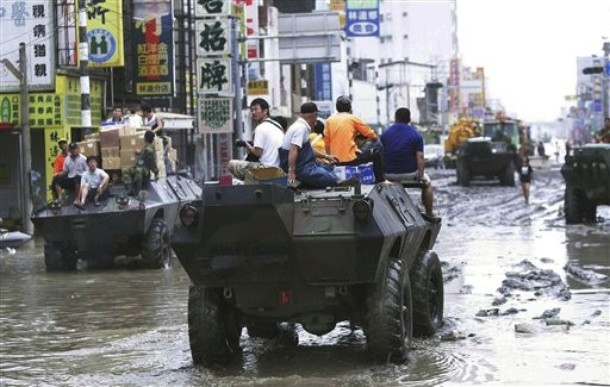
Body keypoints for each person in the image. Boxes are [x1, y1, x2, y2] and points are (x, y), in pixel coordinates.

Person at [380, 107, 437, 219]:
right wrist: (420, 176)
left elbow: (380, 156)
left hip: (388, 175)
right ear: (409, 119)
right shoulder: (416, 135)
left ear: (395, 118)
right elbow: (420, 157)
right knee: (427, 184)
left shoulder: (385, 135)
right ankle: (429, 213)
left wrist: (381, 176)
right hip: (410, 173)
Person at [279, 102, 344, 188]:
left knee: (328, 167)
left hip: (306, 164)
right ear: (313, 115)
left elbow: (308, 150)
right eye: (316, 116)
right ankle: (336, 181)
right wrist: (291, 172)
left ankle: (338, 181)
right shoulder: (300, 128)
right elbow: (293, 149)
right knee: (327, 178)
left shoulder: (301, 126)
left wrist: (326, 156)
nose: (316, 120)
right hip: (301, 168)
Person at [324, 96, 384, 182]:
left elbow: (327, 143)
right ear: (350, 108)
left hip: (335, 161)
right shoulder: (353, 118)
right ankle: (381, 180)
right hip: (351, 160)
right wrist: (374, 139)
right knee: (377, 151)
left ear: (337, 108)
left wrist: (330, 158)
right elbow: (371, 135)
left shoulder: (329, 120)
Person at [228, 98, 284, 180]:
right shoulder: (277, 125)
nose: (253, 112)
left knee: (231, 164)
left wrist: (250, 148)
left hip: (267, 169)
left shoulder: (260, 128)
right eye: (252, 110)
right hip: (280, 169)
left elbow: (258, 153)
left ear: (265, 111)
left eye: (256, 109)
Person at [122, 130, 158, 195]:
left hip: (144, 169)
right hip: (138, 166)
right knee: (125, 171)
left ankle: (137, 191)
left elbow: (152, 162)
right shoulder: (146, 147)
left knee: (138, 171)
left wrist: (156, 172)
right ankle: (130, 189)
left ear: (145, 138)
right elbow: (143, 153)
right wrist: (138, 152)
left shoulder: (149, 150)